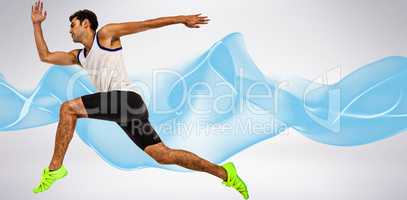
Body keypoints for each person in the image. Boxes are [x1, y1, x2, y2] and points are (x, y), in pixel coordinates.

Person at [31, 0, 249, 199]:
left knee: (68, 108)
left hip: (125, 100)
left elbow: (145, 24)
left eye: (73, 25)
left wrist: (181, 19)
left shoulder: (105, 35)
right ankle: (225, 173)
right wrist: (37, 24)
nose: (70, 30)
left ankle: (55, 168)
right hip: (125, 111)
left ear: (86, 23)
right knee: (163, 155)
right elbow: (45, 56)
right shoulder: (78, 56)